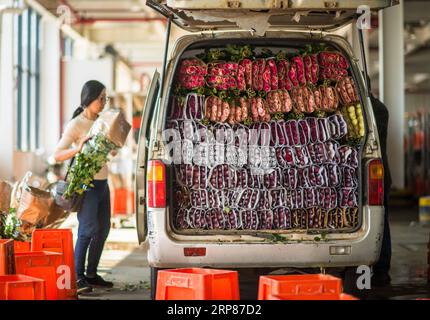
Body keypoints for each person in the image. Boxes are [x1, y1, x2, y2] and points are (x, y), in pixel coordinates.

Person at [54, 80, 114, 294]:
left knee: (103, 228)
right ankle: (77, 276)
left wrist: (111, 148)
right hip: (85, 184)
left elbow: (107, 151)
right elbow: (57, 154)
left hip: (103, 183)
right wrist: (78, 148)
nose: (104, 102)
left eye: (106, 98)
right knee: (87, 230)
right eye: (101, 98)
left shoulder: (103, 122)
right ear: (89, 99)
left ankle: (91, 274)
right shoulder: (76, 124)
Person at [370, 93, 393, 286]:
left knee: (380, 221)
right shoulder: (379, 107)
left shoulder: (376, 109)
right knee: (381, 219)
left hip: (378, 175)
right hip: (379, 173)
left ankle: (381, 268)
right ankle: (380, 268)